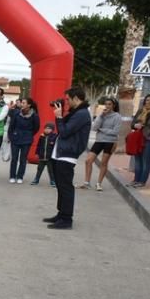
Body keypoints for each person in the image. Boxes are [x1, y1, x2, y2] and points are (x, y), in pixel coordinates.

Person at [44, 87, 92, 230]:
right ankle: (61, 214)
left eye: (67, 99)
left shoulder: (82, 114)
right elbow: (64, 128)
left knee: (65, 187)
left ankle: (66, 219)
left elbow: (64, 132)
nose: (66, 102)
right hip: (61, 153)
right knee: (60, 186)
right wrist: (61, 114)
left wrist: (59, 117)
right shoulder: (76, 113)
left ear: (76, 98)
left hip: (68, 154)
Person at [81, 97, 121, 191]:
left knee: (104, 163)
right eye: (106, 104)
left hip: (110, 142)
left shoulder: (117, 116)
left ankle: (99, 183)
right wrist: (101, 116)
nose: (107, 106)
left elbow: (115, 132)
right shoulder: (102, 115)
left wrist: (102, 130)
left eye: (109, 104)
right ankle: (86, 183)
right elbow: (94, 128)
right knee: (88, 160)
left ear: (114, 106)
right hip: (99, 140)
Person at [6, 97, 40, 184]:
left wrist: (29, 134)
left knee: (23, 159)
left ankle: (20, 176)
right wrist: (10, 136)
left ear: (29, 105)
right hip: (15, 138)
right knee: (14, 158)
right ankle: (12, 176)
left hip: (27, 140)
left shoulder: (34, 115)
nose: (22, 104)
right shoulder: (17, 113)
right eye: (22, 103)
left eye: (24, 103)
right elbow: (11, 126)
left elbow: (36, 128)